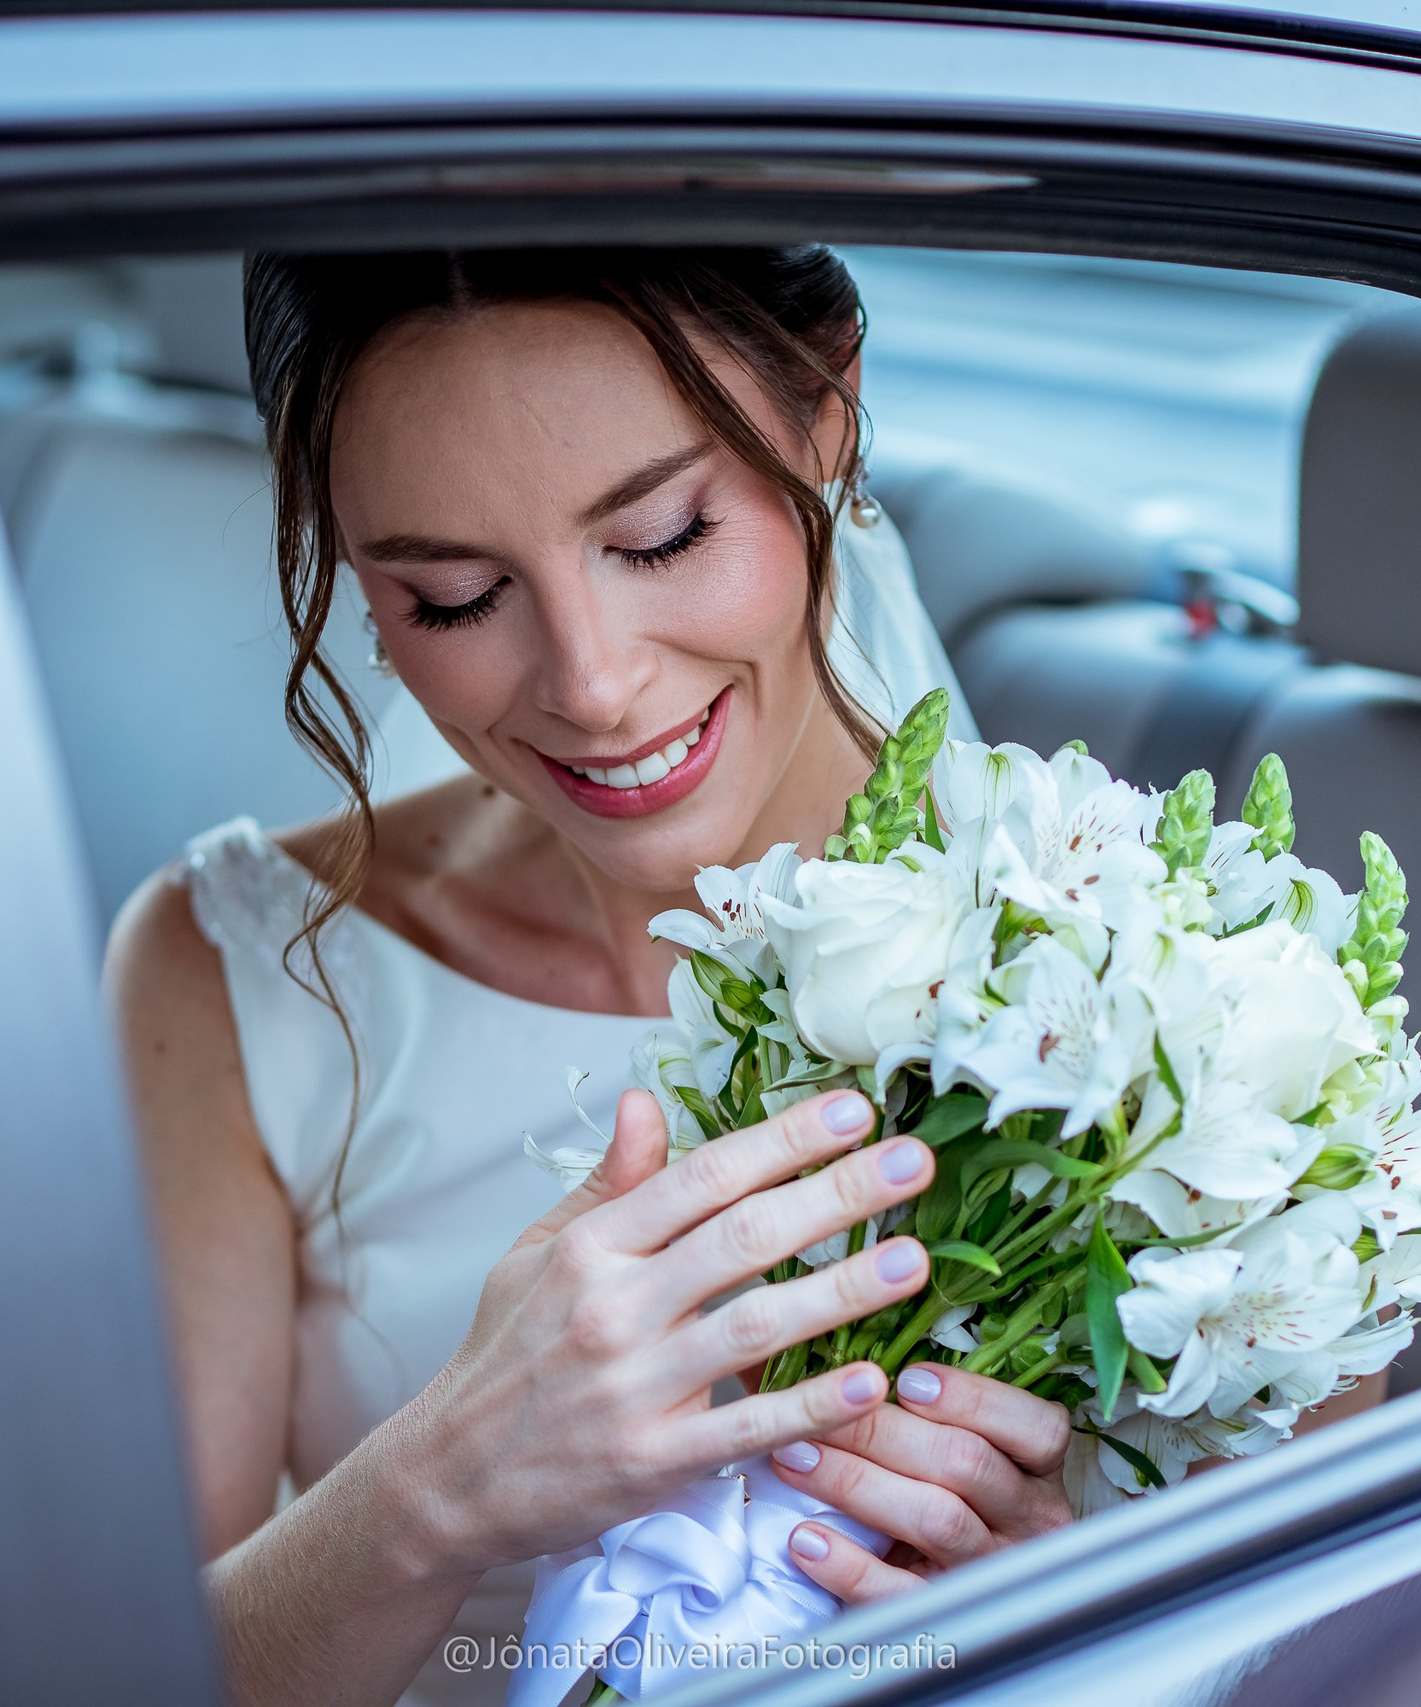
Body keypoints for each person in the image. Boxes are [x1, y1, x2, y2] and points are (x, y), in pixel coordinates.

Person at [105, 246, 1077, 1707]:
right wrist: (432, 1497)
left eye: (666, 535)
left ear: (828, 413)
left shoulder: (1160, 991)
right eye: (451, 596)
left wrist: (1096, 1629)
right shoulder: (230, 978)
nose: (591, 683)